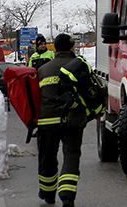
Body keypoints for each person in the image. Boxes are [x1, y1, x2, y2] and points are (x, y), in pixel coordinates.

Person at [37, 34, 97, 207]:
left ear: (54, 48)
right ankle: (67, 196)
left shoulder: (44, 69)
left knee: (47, 157)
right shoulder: (79, 66)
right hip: (73, 119)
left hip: (47, 120)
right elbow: (90, 91)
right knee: (71, 155)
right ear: (71, 48)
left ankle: (48, 194)